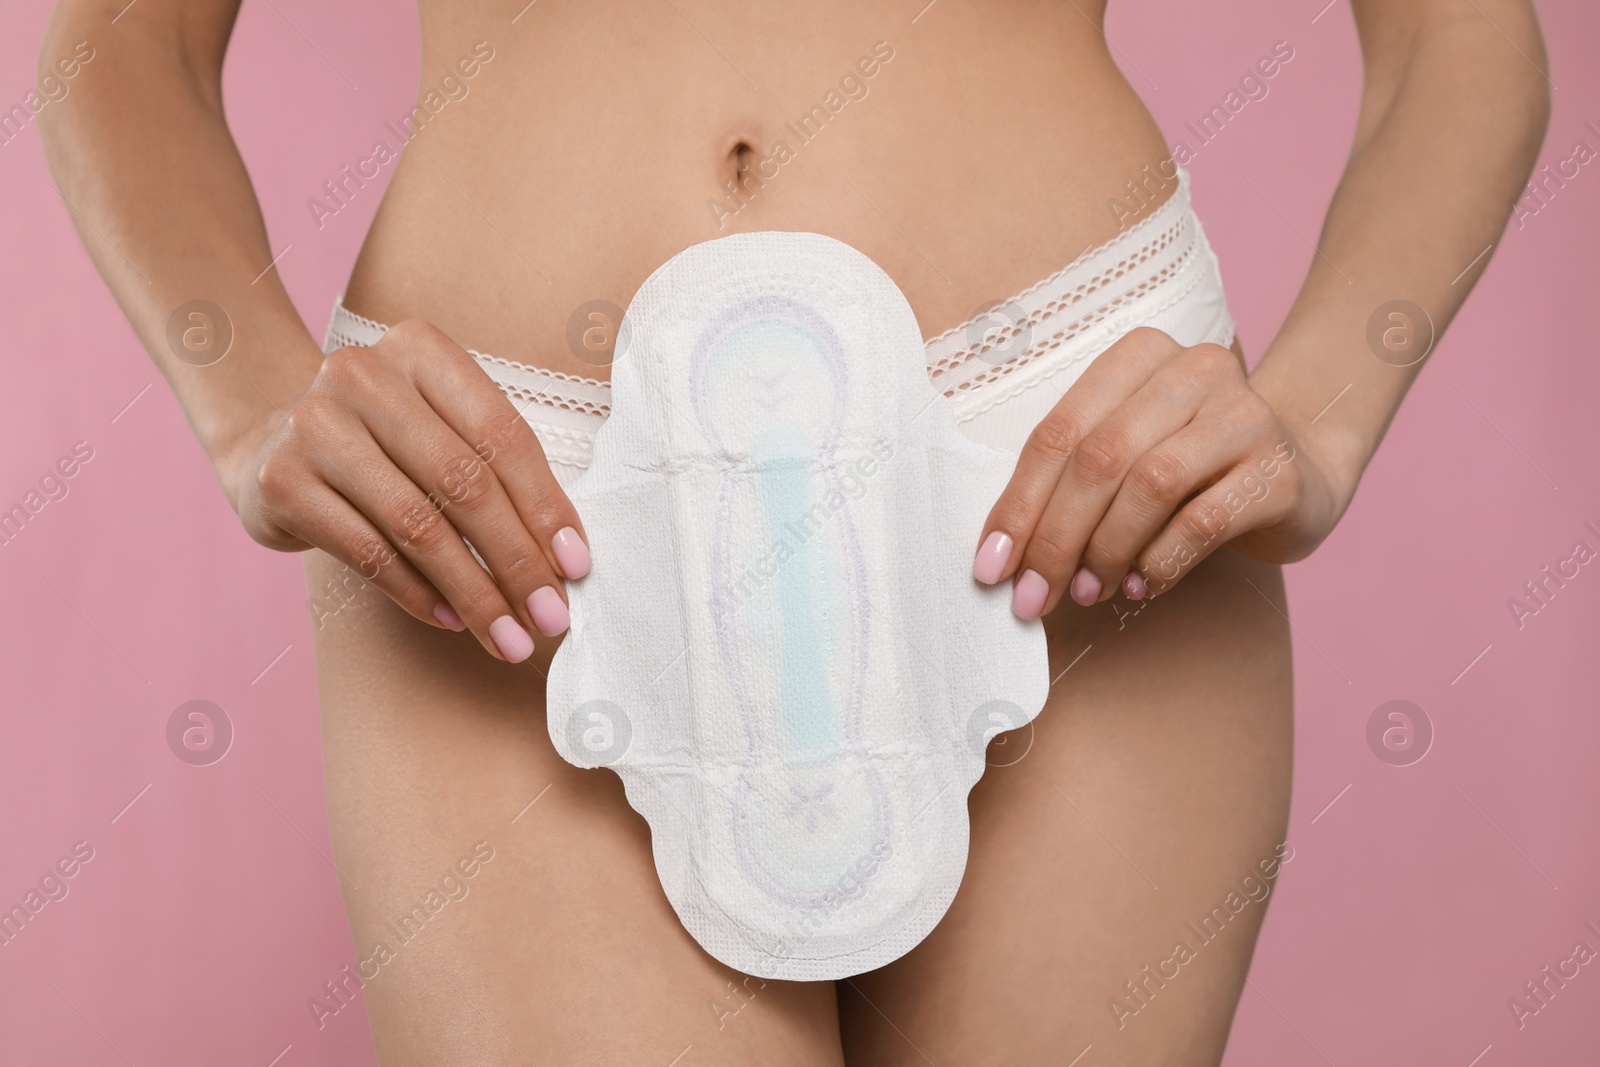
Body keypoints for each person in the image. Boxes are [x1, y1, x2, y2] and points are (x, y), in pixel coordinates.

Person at [39, 1, 1549, 1062]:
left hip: (1064, 468)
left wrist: (1323, 414)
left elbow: (1460, 31)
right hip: (515, 505)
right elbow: (122, 35)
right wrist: (245, 396)